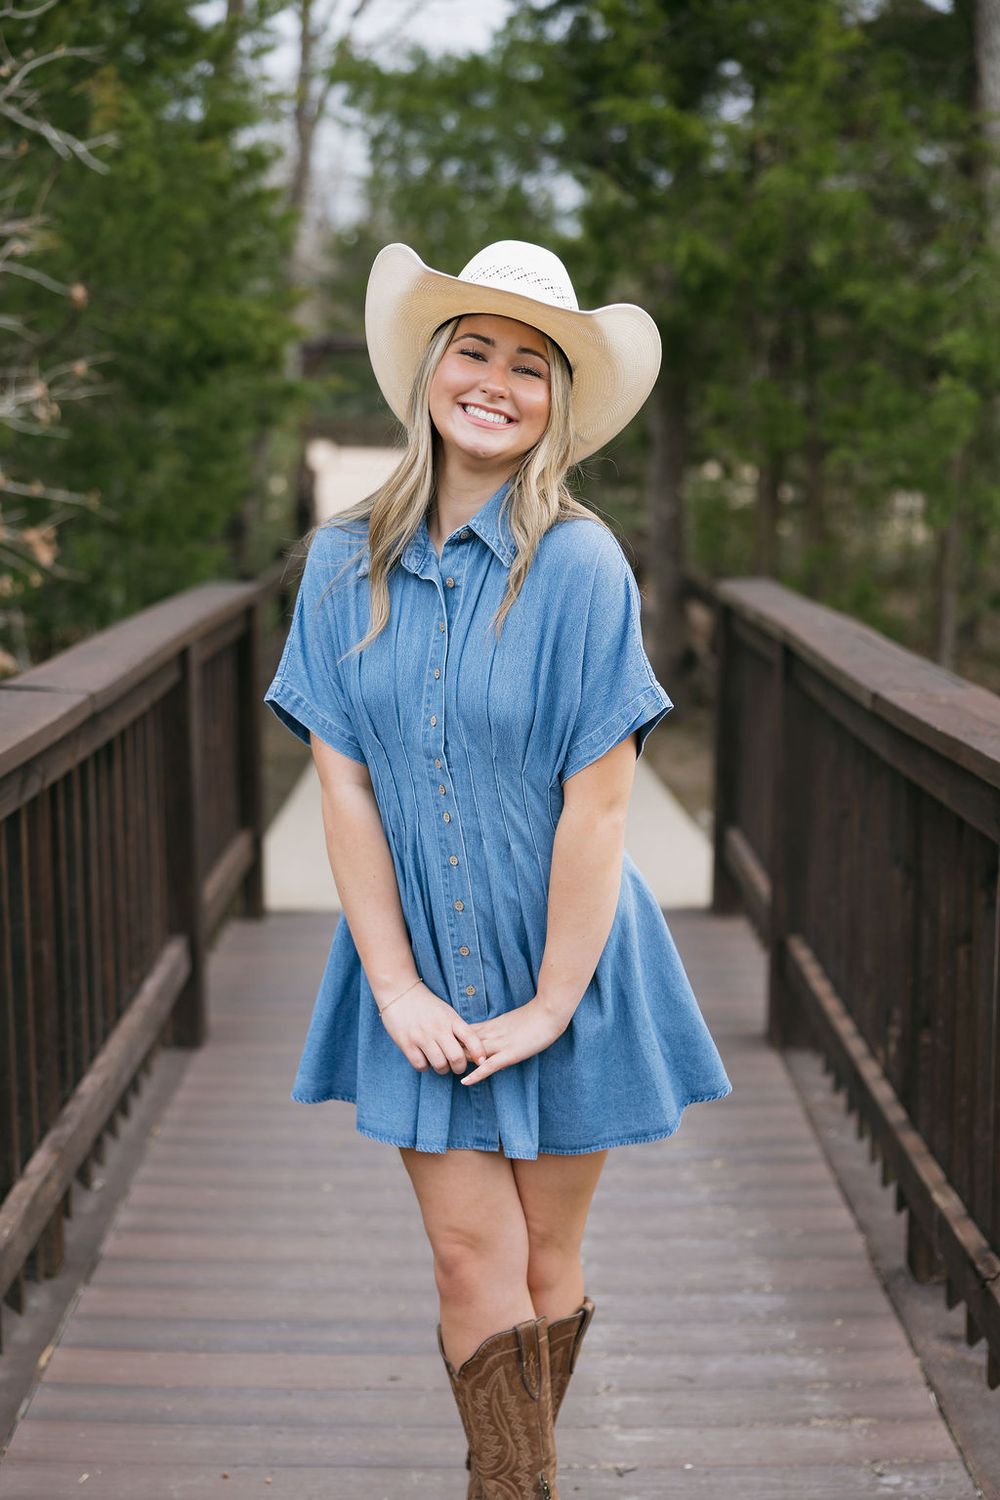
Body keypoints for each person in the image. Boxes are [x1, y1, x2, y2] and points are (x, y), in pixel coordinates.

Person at [263, 239, 734, 1499]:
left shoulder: (579, 565)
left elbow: (598, 804)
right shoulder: (340, 561)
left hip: (566, 956)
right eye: (473, 350)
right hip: (416, 958)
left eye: (530, 366)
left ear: (554, 404)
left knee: (541, 1260)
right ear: (429, 370)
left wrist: (550, 1003)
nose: (496, 382)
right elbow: (345, 785)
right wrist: (395, 986)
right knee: (468, 1257)